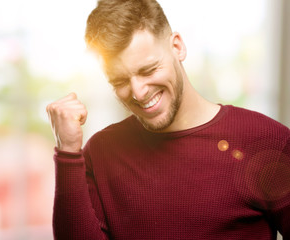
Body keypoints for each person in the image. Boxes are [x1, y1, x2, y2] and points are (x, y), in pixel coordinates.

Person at [46, 0, 290, 239]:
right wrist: (67, 151)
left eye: (149, 70)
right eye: (120, 81)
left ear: (177, 47)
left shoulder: (269, 140)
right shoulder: (100, 153)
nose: (138, 92)